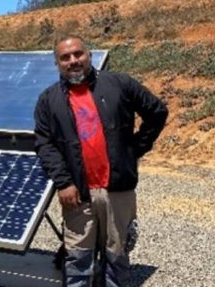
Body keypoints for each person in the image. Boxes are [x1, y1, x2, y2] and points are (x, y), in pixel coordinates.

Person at [33, 35, 168, 286]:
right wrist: (64, 183)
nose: (73, 61)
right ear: (57, 63)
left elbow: (157, 112)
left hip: (118, 190)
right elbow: (44, 143)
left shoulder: (120, 84)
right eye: (65, 57)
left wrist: (135, 149)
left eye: (78, 54)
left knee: (117, 256)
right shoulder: (48, 100)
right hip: (77, 195)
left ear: (89, 55)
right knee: (78, 259)